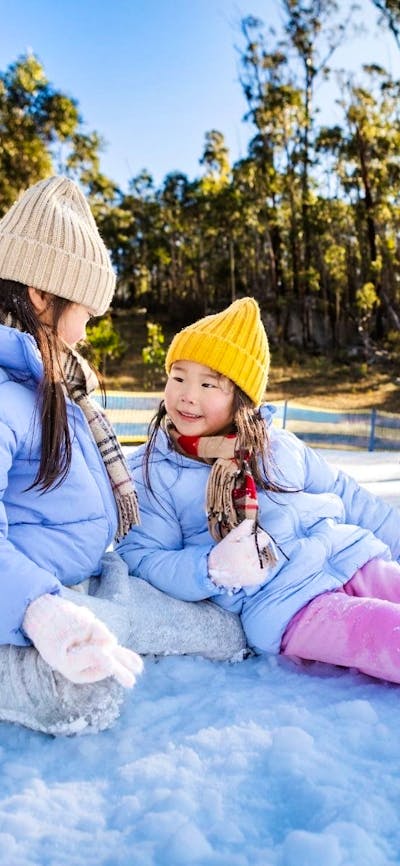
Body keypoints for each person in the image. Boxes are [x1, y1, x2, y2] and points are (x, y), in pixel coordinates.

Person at [117, 296, 400, 685]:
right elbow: (144, 557)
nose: (187, 395)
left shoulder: (277, 446)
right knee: (383, 631)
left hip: (349, 555)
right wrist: (210, 568)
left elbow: (346, 494)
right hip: (288, 604)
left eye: (208, 384)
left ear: (242, 398)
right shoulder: (155, 472)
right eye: (178, 377)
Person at [0, 175, 143, 735]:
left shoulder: (59, 389)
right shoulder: (10, 394)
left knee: (205, 623)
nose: (86, 331)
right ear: (41, 295)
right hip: (23, 606)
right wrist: (40, 610)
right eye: (85, 310)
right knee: (91, 688)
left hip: (64, 586)